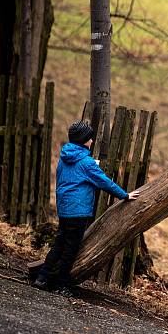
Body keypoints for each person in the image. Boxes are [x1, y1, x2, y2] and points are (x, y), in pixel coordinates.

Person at [34, 121, 140, 297]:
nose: (91, 141)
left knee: (59, 244)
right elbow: (104, 182)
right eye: (90, 138)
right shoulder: (86, 162)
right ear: (84, 140)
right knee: (70, 250)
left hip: (65, 208)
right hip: (78, 211)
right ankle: (62, 285)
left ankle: (42, 277)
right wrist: (125, 195)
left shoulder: (64, 157)